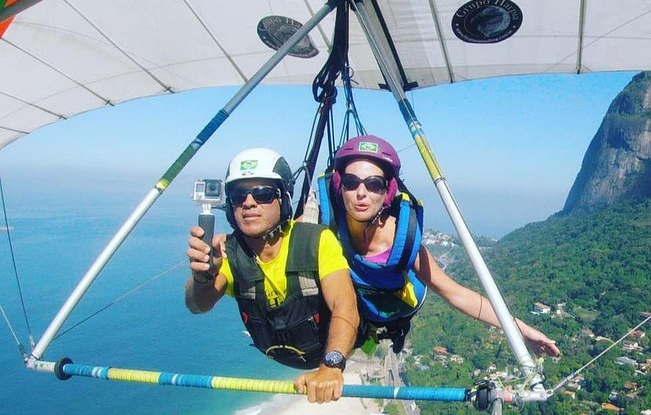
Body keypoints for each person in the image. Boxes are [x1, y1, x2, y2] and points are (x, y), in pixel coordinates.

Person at [319, 135, 560, 357]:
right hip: (349, 306)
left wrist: (521, 330)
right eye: (351, 182)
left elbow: (456, 294)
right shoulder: (326, 225)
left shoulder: (399, 244)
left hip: (387, 312)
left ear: (387, 192)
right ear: (340, 187)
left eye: (374, 184)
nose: (361, 193)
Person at [185, 148, 359, 404]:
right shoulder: (228, 253)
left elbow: (345, 304)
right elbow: (198, 304)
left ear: (284, 199)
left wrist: (331, 365)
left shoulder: (316, 240)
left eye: (263, 193)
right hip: (278, 352)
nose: (249, 202)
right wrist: (203, 276)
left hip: (322, 351)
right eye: (238, 195)